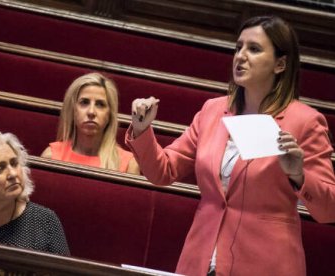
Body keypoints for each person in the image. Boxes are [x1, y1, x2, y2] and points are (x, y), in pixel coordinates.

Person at [126, 16, 335, 276]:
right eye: (238, 48)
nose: (241, 56)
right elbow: (163, 171)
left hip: (267, 264)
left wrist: (298, 175)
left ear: (280, 64)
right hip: (202, 259)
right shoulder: (213, 111)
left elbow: (329, 209)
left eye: (254, 49)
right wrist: (142, 129)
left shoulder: (305, 121)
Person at [41, 72, 139, 174]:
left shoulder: (129, 165)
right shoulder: (51, 156)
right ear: (73, 110)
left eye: (100, 104)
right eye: (84, 102)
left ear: (110, 115)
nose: (91, 112)